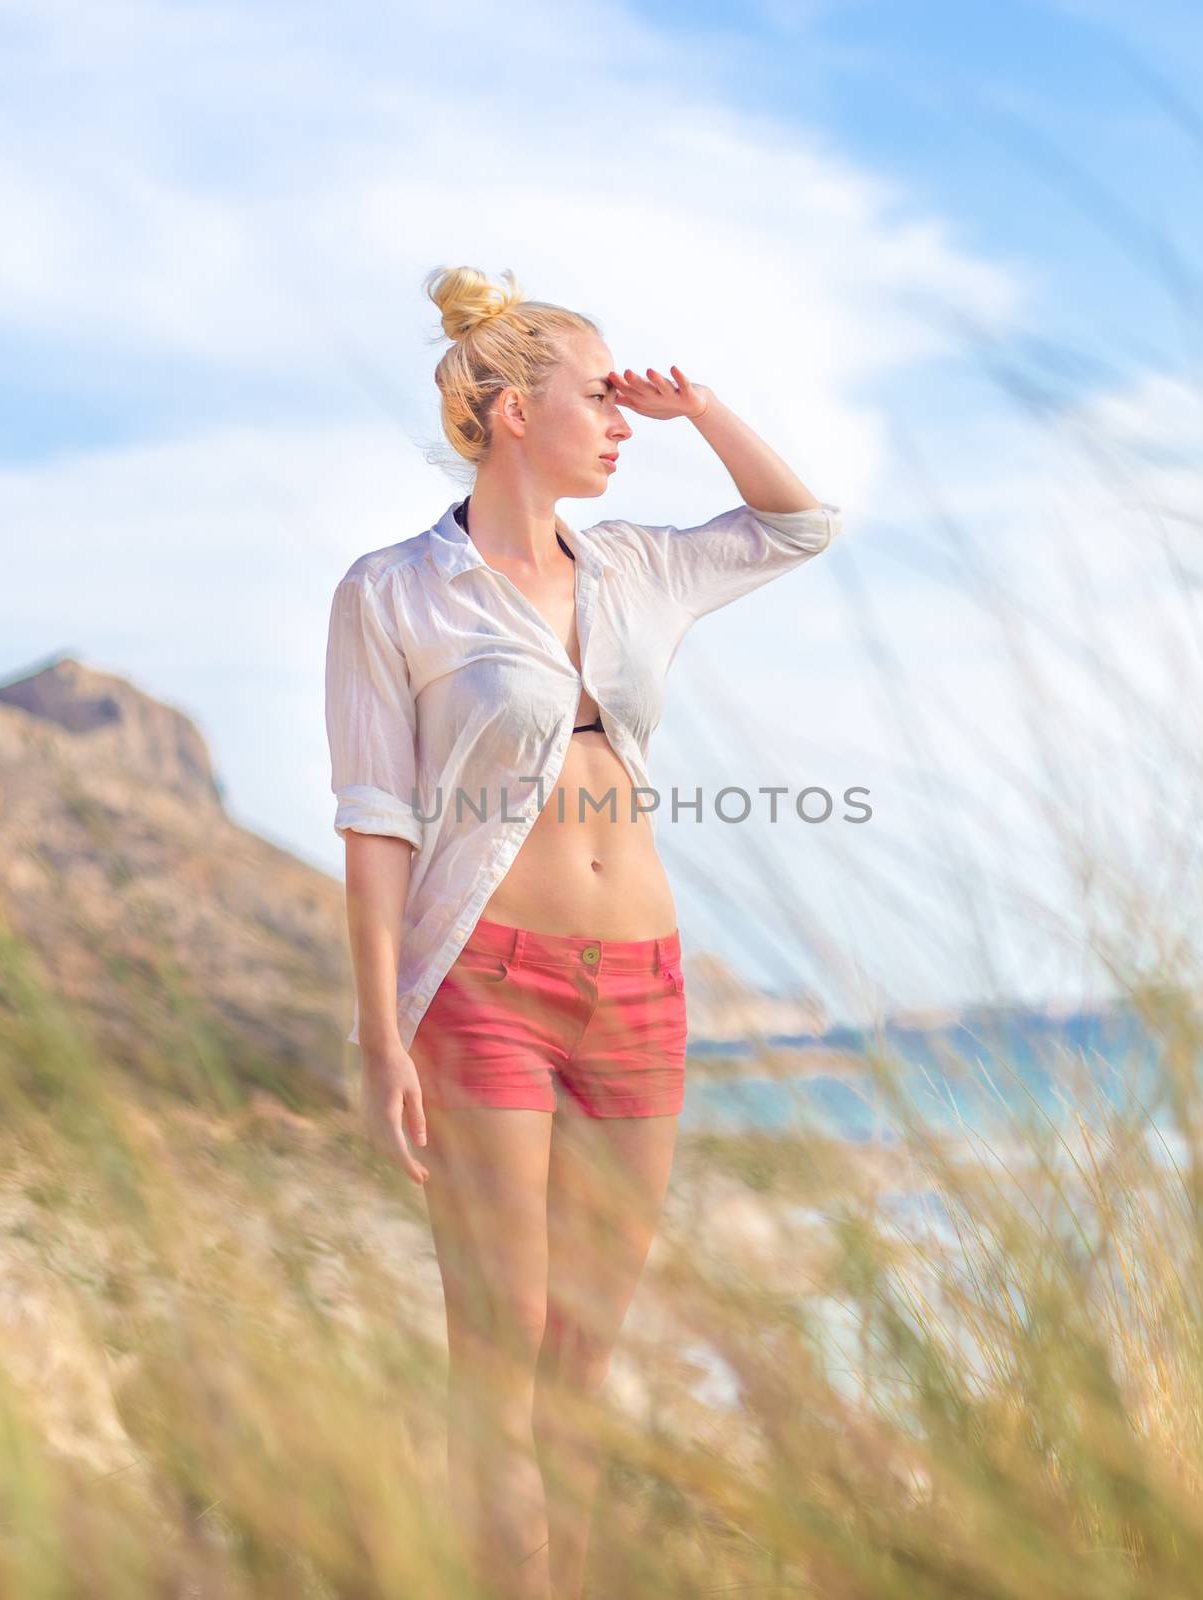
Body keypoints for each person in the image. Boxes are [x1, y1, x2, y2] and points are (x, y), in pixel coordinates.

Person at [324, 263, 842, 1599]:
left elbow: (801, 526)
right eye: (600, 397)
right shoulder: (396, 592)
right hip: (485, 985)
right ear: (508, 414)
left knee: (587, 1356)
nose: (623, 422)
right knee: (499, 1348)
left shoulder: (644, 570)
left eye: (630, 401)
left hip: (644, 990)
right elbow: (378, 818)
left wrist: (705, 411)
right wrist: (382, 1034)